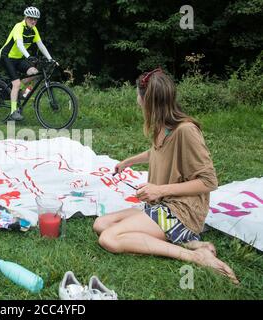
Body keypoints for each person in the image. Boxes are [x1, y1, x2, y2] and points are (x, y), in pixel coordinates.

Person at [93, 68, 239, 284]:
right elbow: (159, 151)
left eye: (138, 95)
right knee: (101, 224)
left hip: (181, 213)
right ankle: (189, 242)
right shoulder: (162, 127)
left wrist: (159, 190)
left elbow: (209, 181)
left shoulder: (185, 131)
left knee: (110, 238)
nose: (137, 100)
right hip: (162, 205)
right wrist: (128, 162)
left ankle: (195, 255)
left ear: (148, 100)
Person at [0, 6, 56, 121]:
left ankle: (20, 93)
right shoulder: (18, 27)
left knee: (35, 73)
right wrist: (29, 57)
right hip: (7, 57)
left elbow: (41, 45)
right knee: (16, 84)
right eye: (31, 18)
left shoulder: (34, 30)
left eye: (35, 19)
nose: (33, 21)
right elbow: (19, 44)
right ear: (25, 17)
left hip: (19, 58)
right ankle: (13, 112)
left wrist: (51, 59)